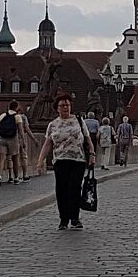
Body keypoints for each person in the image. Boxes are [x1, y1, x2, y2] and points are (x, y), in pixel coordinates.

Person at [36, 93, 96, 230]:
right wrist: (40, 161)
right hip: (60, 160)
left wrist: (92, 154)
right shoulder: (53, 125)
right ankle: (63, 219)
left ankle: (75, 218)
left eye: (67, 105)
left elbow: (87, 139)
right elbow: (47, 144)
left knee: (75, 188)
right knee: (61, 189)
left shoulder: (79, 121)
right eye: (62, 105)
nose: (65, 108)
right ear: (57, 108)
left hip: (78, 159)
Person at [0, 100, 25, 185]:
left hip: (2, 139)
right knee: (15, 158)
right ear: (16, 107)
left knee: (1, 158)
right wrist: (23, 141)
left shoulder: (3, 115)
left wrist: (1, 129)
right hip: (13, 139)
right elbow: (21, 130)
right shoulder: (17, 116)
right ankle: (16, 178)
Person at [16, 105, 39, 182]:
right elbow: (27, 129)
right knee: (24, 157)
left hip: (13, 139)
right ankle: (25, 175)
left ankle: (15, 176)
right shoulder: (23, 117)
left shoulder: (13, 117)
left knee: (15, 158)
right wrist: (34, 139)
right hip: (22, 138)